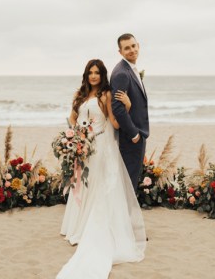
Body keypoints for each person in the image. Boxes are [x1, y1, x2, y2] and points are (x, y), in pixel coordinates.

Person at [57, 59, 146, 279]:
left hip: (100, 146)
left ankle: (93, 228)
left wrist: (126, 106)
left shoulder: (105, 94)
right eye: (90, 72)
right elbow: (73, 117)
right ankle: (78, 224)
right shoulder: (80, 94)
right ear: (86, 75)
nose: (94, 76)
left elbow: (114, 124)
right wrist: (74, 137)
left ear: (102, 74)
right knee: (82, 185)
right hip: (83, 146)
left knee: (96, 185)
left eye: (97, 72)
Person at [110, 33, 149, 192]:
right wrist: (134, 134)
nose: (132, 50)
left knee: (129, 181)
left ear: (138, 45)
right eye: (127, 48)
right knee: (128, 183)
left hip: (136, 135)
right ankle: (124, 216)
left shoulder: (130, 69)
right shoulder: (121, 73)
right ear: (120, 52)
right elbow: (118, 109)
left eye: (133, 46)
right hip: (130, 138)